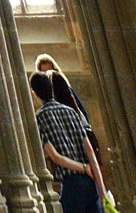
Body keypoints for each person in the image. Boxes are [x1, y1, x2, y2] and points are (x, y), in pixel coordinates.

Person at [30, 69, 106, 213]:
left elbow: (56, 157)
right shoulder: (71, 111)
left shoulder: (40, 117)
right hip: (91, 182)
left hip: (71, 183)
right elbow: (90, 151)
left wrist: (82, 167)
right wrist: (102, 190)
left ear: (35, 93)